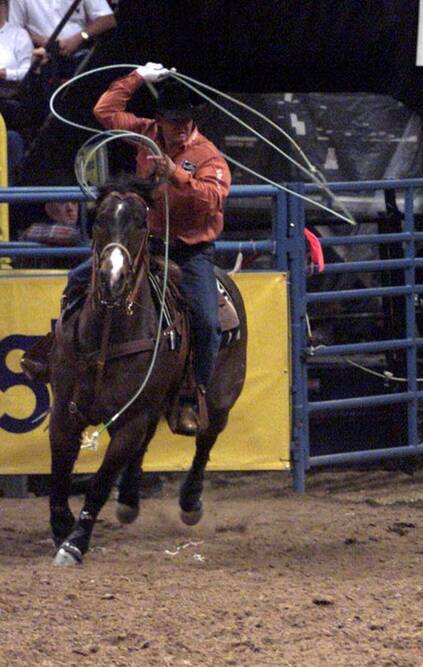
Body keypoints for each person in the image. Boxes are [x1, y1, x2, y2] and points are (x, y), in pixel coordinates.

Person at [21, 62, 231, 435]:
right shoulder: (145, 133)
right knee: (79, 280)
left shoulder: (207, 156)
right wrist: (138, 77)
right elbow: (104, 111)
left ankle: (191, 395)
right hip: (146, 244)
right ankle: (60, 351)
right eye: (172, 119)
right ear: (160, 118)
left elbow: (213, 200)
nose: (179, 126)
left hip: (188, 251)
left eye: (185, 120)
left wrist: (178, 176)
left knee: (206, 321)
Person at [8, 0, 114, 74]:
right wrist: (44, 41)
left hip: (82, 54)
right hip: (43, 59)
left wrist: (79, 37)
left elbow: (108, 19)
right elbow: (13, 32)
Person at [0, 0, 32, 176]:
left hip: (8, 93)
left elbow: (27, 70)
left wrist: (6, 73)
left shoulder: (18, 35)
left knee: (12, 138)